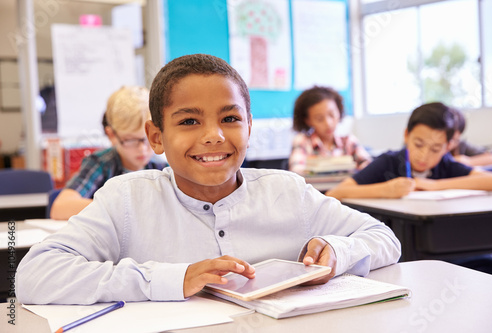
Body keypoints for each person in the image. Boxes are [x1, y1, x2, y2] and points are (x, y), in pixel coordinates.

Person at [16, 54, 401, 305]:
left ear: (249, 128)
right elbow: (34, 275)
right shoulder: (127, 200)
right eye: (189, 121)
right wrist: (173, 279)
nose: (214, 135)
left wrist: (337, 250)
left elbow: (385, 238)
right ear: (156, 137)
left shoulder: (287, 192)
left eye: (230, 118)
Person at [326, 102, 492, 200]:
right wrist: (385, 190)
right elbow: (335, 193)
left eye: (435, 149)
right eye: (418, 144)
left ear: (448, 146)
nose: (424, 155)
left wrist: (436, 186)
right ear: (407, 135)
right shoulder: (389, 162)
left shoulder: (446, 165)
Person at [50, 86, 167, 220]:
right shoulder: (101, 164)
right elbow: (60, 208)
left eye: (149, 139)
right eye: (131, 140)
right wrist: (123, 208)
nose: (143, 148)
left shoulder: (160, 167)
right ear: (112, 135)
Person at [288, 86, 372, 175]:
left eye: (332, 115)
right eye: (319, 119)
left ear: (339, 112)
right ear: (308, 120)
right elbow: (296, 172)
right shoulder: (302, 141)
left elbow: (369, 166)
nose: (328, 123)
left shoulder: (349, 141)